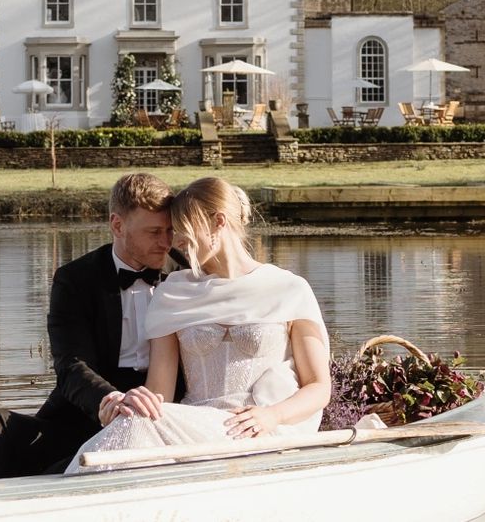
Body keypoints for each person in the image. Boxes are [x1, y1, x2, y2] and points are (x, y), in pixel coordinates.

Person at [65, 176, 331, 474]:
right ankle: (75, 494)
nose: (173, 242)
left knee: (136, 425)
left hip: (264, 426)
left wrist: (272, 416)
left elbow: (319, 387)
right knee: (138, 418)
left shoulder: (289, 288)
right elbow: (160, 394)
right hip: (194, 423)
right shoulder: (174, 292)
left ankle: (69, 497)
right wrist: (133, 402)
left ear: (218, 222)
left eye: (182, 230)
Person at [0, 172, 179, 481]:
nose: (165, 242)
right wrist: (109, 401)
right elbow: (71, 364)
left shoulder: (186, 273)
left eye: (169, 230)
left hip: (160, 415)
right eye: (154, 232)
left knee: (65, 471)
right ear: (117, 225)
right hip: (85, 413)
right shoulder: (75, 279)